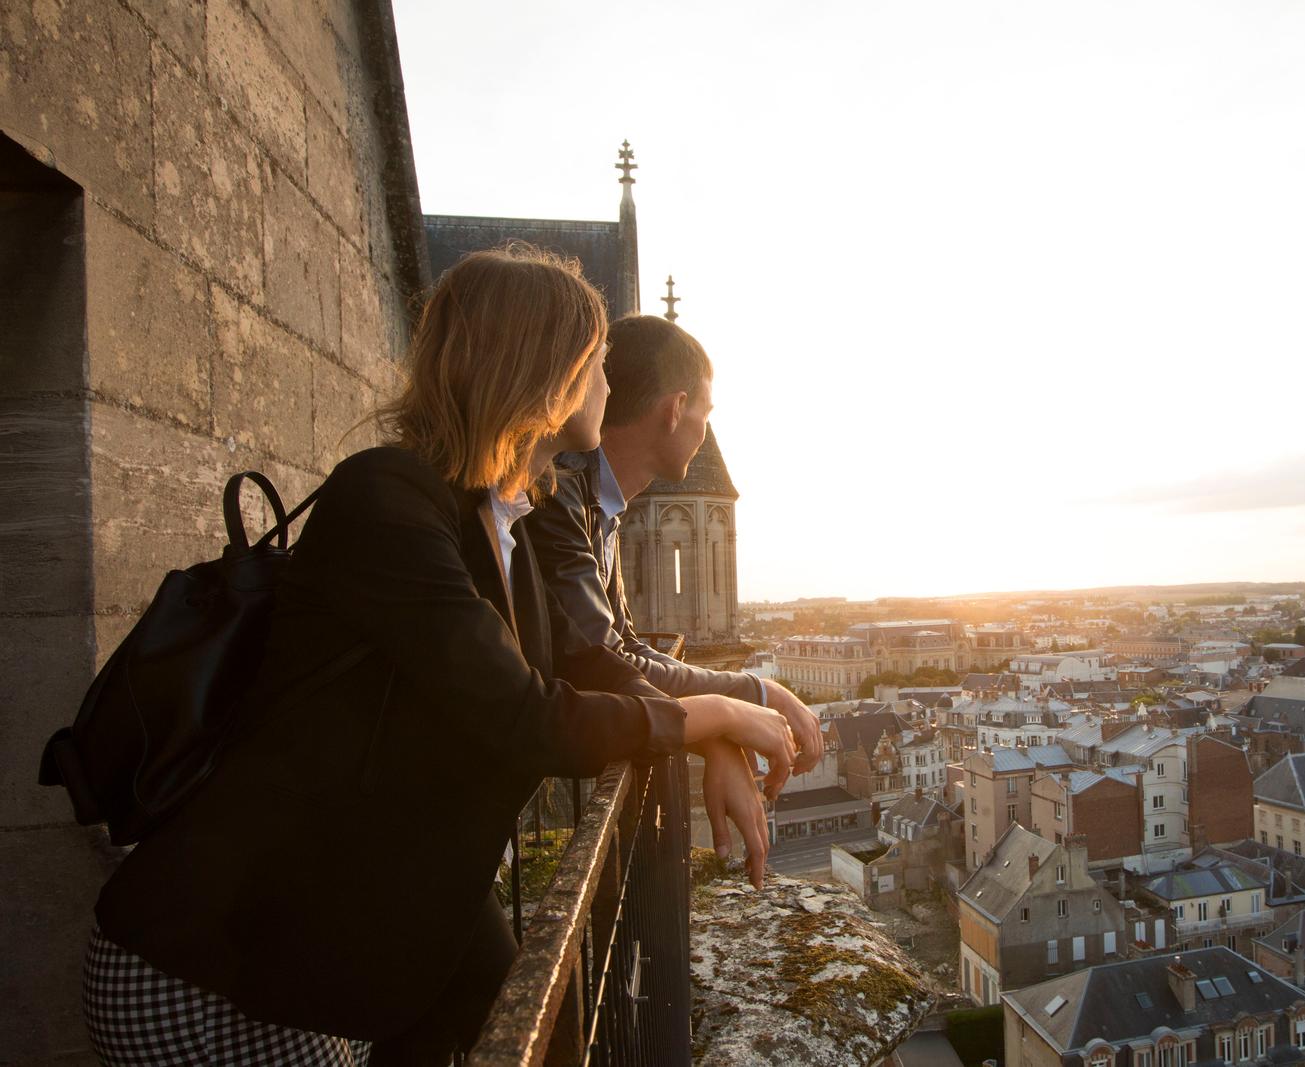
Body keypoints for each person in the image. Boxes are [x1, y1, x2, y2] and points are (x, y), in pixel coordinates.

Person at [82, 245, 796, 1066]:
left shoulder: (505, 521)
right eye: (597, 361)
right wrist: (720, 711)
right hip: (203, 968)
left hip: (333, 929)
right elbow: (525, 716)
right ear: (545, 370)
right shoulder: (386, 501)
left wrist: (706, 736)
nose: (609, 380)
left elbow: (587, 667)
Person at [522, 314, 823, 869]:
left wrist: (714, 729)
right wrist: (746, 700)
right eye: (705, 414)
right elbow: (600, 664)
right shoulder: (561, 493)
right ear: (674, 410)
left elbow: (623, 655)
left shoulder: (598, 503)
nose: (705, 430)